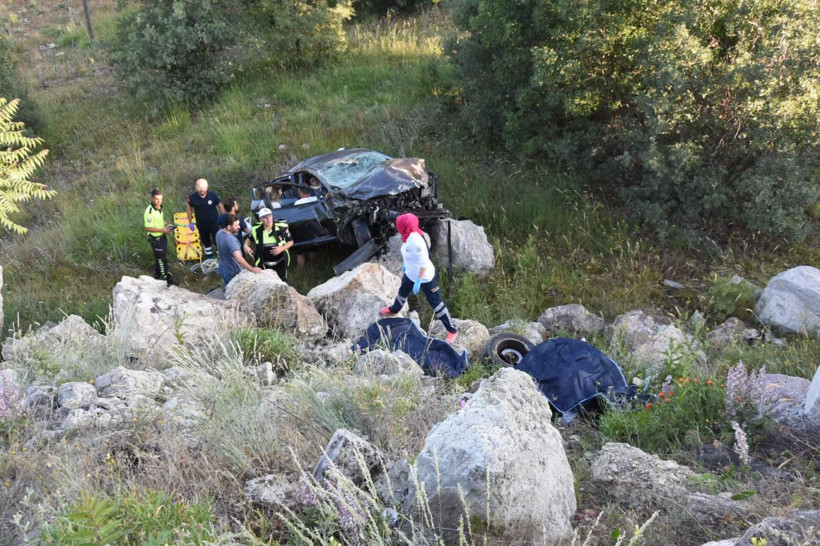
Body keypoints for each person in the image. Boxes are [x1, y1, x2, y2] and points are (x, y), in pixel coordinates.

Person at [380, 213, 458, 343]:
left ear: (405, 226)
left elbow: (424, 264)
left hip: (425, 277)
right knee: (402, 293)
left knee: (436, 304)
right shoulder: (408, 235)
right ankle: (394, 310)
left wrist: (418, 281)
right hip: (411, 273)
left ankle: (452, 330)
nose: (396, 225)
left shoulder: (416, 241)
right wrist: (406, 266)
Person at [243, 207, 294, 281]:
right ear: (260, 219)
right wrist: (246, 245)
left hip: (280, 263)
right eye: (265, 217)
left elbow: (291, 242)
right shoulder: (256, 229)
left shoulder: (281, 227)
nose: (268, 219)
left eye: (270, 216)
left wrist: (281, 249)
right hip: (264, 265)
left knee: (282, 283)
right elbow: (249, 239)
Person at [217, 213, 262, 288]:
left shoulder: (219, 233)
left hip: (222, 268)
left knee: (227, 290)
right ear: (229, 227)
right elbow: (239, 259)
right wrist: (252, 269)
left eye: (239, 224)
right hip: (232, 272)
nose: (239, 227)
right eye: (236, 225)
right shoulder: (231, 240)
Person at [143, 188, 177, 286]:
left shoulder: (159, 207)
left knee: (160, 257)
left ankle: (157, 274)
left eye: (161, 199)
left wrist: (167, 224)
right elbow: (148, 228)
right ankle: (166, 279)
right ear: (152, 199)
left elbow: (159, 220)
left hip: (162, 237)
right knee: (162, 259)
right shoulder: (149, 212)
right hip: (156, 239)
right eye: (157, 199)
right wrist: (163, 230)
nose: (159, 201)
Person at [187, 178, 225, 260]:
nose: (202, 189)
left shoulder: (213, 195)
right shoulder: (192, 198)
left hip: (214, 223)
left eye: (203, 187)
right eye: (200, 187)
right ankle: (209, 258)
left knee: (217, 239)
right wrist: (190, 222)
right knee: (205, 240)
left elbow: (220, 206)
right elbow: (189, 209)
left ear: (207, 187)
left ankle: (220, 257)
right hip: (201, 224)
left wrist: (224, 218)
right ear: (196, 187)